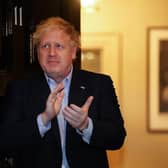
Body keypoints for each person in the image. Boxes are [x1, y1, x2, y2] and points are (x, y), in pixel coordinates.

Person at [1, 17, 126, 168]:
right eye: (45, 46)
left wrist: (86, 125)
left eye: (59, 46)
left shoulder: (99, 84)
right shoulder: (19, 88)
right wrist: (43, 119)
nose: (51, 53)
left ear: (73, 52)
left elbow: (117, 137)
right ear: (37, 52)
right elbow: (4, 142)